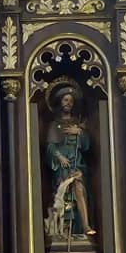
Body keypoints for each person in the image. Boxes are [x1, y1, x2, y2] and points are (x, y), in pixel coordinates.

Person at [45, 86, 95, 238]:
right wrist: (59, 157)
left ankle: (85, 225)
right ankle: (64, 230)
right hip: (62, 167)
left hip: (76, 164)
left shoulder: (78, 124)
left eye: (71, 101)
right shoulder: (55, 124)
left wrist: (80, 133)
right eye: (66, 100)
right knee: (64, 195)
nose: (68, 103)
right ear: (60, 102)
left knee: (79, 189)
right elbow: (50, 147)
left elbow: (86, 146)